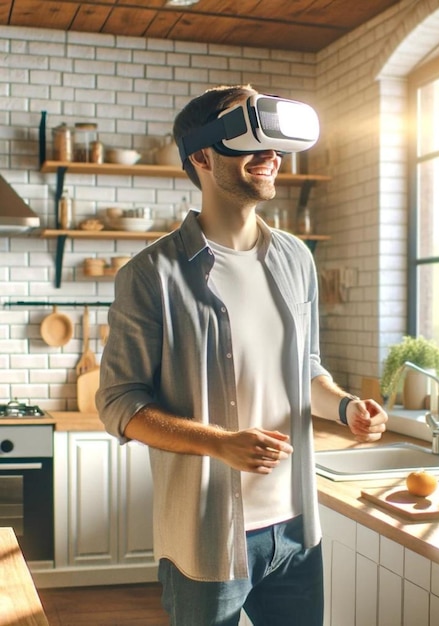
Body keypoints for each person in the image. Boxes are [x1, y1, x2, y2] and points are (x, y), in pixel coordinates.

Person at [96, 84, 388, 626]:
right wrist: (221, 443)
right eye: (250, 139)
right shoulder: (150, 275)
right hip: (209, 537)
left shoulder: (296, 259)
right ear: (202, 155)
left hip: (298, 527)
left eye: (275, 144)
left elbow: (306, 370)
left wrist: (346, 406)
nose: (271, 155)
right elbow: (118, 404)